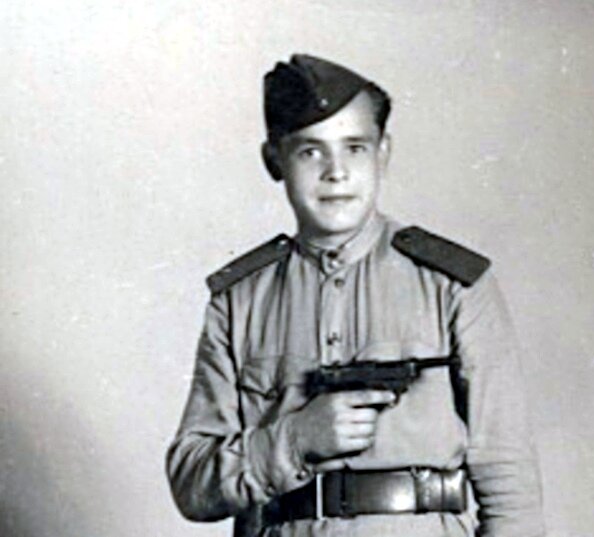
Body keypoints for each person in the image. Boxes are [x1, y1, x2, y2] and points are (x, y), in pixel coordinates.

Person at [166, 53, 545, 537]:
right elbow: (191, 483)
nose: (336, 172)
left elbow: (511, 490)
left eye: (355, 148)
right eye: (311, 151)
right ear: (274, 159)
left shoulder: (453, 286)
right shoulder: (238, 302)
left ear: (383, 153)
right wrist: (295, 439)